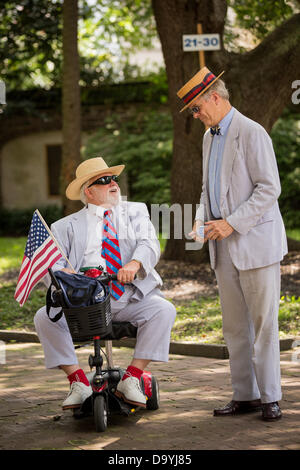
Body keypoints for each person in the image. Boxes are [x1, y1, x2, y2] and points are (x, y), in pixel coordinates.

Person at [177, 67, 287, 421]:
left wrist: (231, 223)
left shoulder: (252, 132)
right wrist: (199, 222)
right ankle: (245, 395)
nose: (196, 116)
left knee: (264, 324)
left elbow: (269, 188)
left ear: (215, 97)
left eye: (196, 108)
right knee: (235, 327)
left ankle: (270, 397)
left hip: (256, 243)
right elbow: (208, 190)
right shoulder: (210, 136)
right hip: (222, 248)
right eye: (192, 111)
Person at [34, 157, 176, 410]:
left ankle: (132, 377)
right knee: (44, 317)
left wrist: (134, 264)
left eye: (114, 179)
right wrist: (64, 274)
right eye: (104, 180)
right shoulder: (64, 226)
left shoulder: (135, 211)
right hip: (84, 303)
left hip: (129, 296)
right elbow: (51, 267)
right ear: (88, 191)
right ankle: (77, 381)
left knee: (164, 310)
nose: (113, 184)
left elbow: (149, 243)